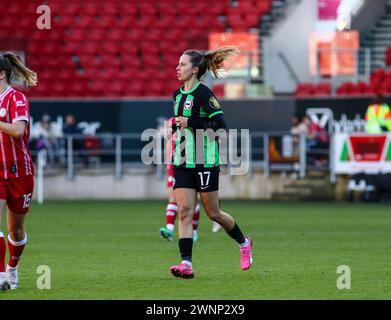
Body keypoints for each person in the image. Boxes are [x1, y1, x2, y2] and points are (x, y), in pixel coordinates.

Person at [169, 46, 253, 279]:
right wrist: (175, 127)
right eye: (178, 64)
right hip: (183, 160)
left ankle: (244, 242)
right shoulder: (177, 95)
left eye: (182, 64)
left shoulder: (204, 94)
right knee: (185, 211)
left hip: (206, 161)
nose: (178, 67)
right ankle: (186, 263)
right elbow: (180, 123)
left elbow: (221, 126)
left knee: (213, 213)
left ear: (195, 69)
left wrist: (192, 123)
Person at [0, 53, 37, 290]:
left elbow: (17, 130)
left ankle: (12, 268)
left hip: (20, 173)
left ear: (1, 74)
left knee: (16, 229)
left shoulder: (17, 98)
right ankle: (1, 275)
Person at [160, 116, 201, 242]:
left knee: (193, 201)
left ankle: (194, 231)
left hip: (194, 163)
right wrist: (168, 164)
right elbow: (168, 142)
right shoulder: (170, 122)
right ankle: (169, 229)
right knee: (172, 197)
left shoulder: (195, 120)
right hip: (175, 165)